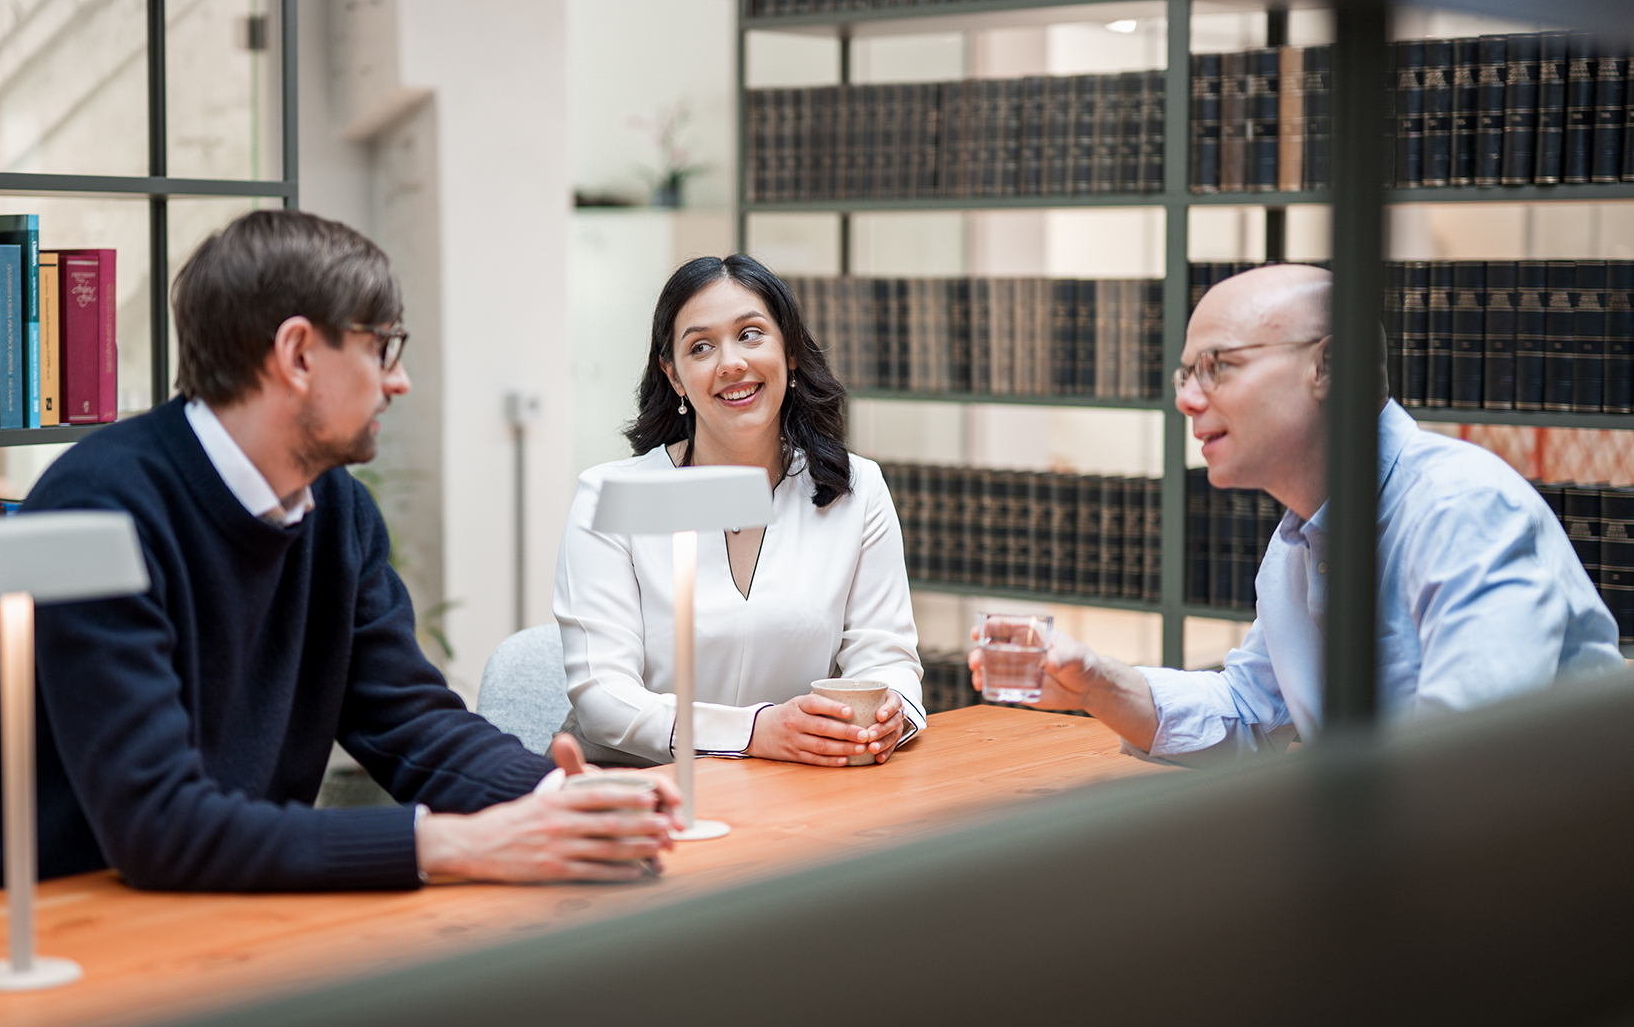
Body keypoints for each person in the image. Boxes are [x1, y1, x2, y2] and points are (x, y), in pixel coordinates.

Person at [0, 211, 679, 903]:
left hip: (203, 907)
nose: (399, 380)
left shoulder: (335, 507)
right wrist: (453, 843)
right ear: (299, 354)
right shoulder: (98, 507)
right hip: (23, 938)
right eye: (384, 348)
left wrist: (556, 796)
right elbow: (159, 823)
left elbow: (409, 719)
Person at [972, 262, 1622, 762]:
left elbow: (1463, 769)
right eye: (1184, 375)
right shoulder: (1298, 543)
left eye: (1217, 366)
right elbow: (1249, 708)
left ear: (1328, 366)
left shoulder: (1463, 510)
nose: (1188, 400)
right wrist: (1091, 684)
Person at [553, 254, 924, 768]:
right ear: (675, 376)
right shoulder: (611, 497)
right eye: (701, 347)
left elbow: (888, 658)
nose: (731, 363)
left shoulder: (854, 490)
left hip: (793, 786)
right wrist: (755, 732)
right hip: (640, 788)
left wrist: (890, 715)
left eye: (751, 334)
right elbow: (603, 699)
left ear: (789, 352)